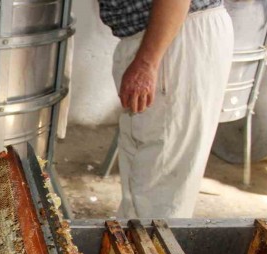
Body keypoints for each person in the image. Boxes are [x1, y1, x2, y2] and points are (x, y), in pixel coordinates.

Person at [98, 0, 234, 218]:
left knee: (160, 189)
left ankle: (153, 240)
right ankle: (133, 237)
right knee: (143, 172)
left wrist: (146, 63)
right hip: (164, 35)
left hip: (173, 38)